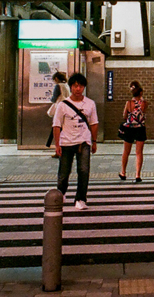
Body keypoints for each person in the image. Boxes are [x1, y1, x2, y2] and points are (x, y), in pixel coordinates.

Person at [52, 73, 99, 210]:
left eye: (80, 86)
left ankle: (80, 199)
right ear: (71, 87)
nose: (78, 89)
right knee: (64, 172)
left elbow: (94, 123)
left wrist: (94, 141)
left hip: (83, 142)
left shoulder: (90, 104)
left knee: (84, 171)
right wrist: (57, 144)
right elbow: (56, 125)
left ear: (84, 87)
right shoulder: (63, 105)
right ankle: (61, 193)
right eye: (75, 86)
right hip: (66, 142)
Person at [119, 80, 147, 182]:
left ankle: (123, 172)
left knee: (126, 151)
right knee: (139, 152)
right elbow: (143, 113)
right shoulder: (144, 103)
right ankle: (137, 175)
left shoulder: (129, 103)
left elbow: (124, 116)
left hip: (129, 128)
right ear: (141, 92)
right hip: (140, 128)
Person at [46, 71, 70, 151]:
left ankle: (58, 149)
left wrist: (51, 99)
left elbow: (54, 98)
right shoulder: (66, 85)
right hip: (67, 108)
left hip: (60, 108)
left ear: (56, 78)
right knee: (62, 129)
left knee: (57, 128)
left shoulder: (58, 86)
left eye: (54, 80)